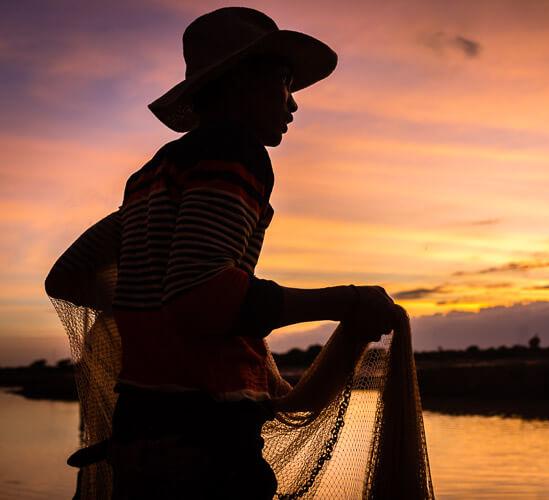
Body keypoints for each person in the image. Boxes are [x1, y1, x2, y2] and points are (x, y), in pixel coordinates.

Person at [46, 7, 399, 499]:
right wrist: (344, 301)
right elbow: (202, 300)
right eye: (284, 82)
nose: (293, 104)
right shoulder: (236, 150)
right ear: (241, 83)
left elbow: (64, 277)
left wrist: (143, 301)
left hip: (141, 436)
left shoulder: (148, 179)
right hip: (205, 453)